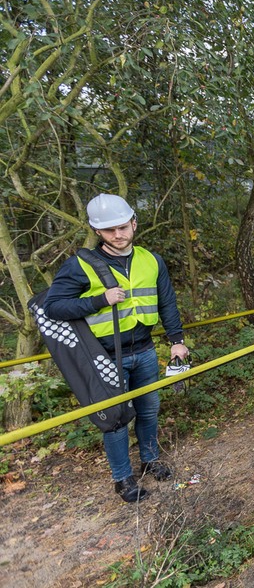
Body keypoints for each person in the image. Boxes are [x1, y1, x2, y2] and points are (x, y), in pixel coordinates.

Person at [43, 194, 188, 503]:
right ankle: (123, 480)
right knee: (116, 419)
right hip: (105, 356)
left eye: (122, 227)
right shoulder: (81, 265)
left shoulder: (152, 260)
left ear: (134, 223)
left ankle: (150, 460)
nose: (118, 235)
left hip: (145, 348)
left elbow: (167, 302)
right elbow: (53, 307)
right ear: (98, 232)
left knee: (149, 409)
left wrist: (176, 341)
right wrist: (99, 300)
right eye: (109, 230)